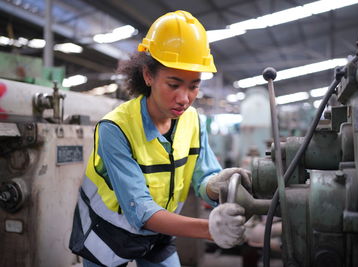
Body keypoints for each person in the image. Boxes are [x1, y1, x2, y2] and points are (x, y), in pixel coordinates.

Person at [69, 10, 252, 267]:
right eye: (174, 84)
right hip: (108, 233)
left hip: (159, 233)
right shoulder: (115, 128)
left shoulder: (193, 121)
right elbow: (140, 210)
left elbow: (203, 177)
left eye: (194, 85)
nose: (184, 98)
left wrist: (216, 184)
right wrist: (210, 229)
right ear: (148, 75)